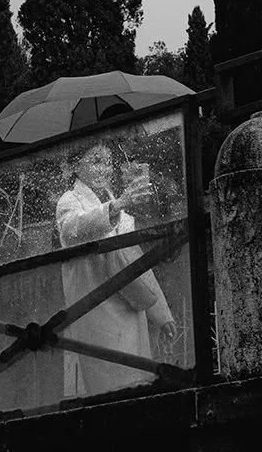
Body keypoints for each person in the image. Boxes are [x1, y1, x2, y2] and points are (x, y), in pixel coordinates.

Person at [54, 140, 175, 396]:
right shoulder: (69, 201)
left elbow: (136, 261)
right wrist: (117, 205)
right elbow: (73, 229)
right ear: (76, 166)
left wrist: (161, 314)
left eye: (108, 162)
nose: (104, 169)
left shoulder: (120, 208)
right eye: (96, 161)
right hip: (97, 305)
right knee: (107, 385)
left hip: (131, 304)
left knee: (138, 382)